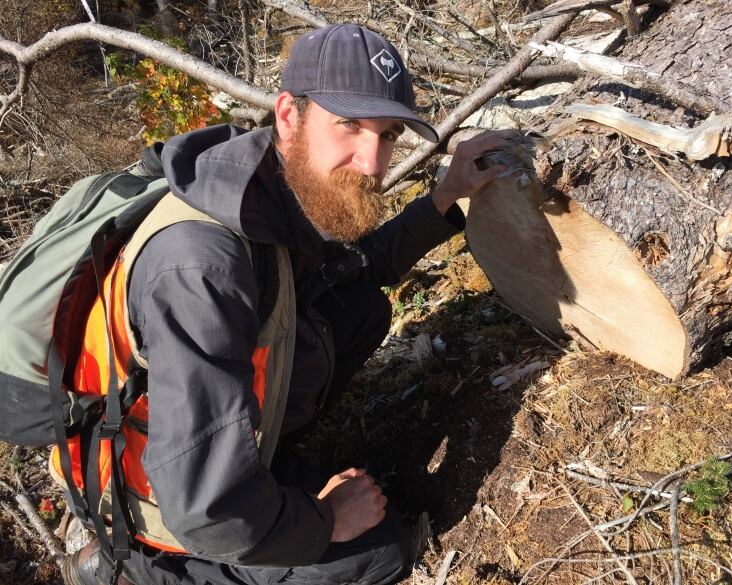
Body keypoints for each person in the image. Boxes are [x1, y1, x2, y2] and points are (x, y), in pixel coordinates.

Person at [62, 23, 511, 585]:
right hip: (153, 494)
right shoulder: (202, 268)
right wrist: (324, 519)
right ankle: (133, 570)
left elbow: (351, 269)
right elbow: (206, 508)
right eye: (349, 125)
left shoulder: (271, 186)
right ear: (288, 115)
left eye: (389, 134)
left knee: (358, 310)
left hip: (200, 447)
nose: (372, 162)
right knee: (378, 551)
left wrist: (446, 195)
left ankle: (268, 462)